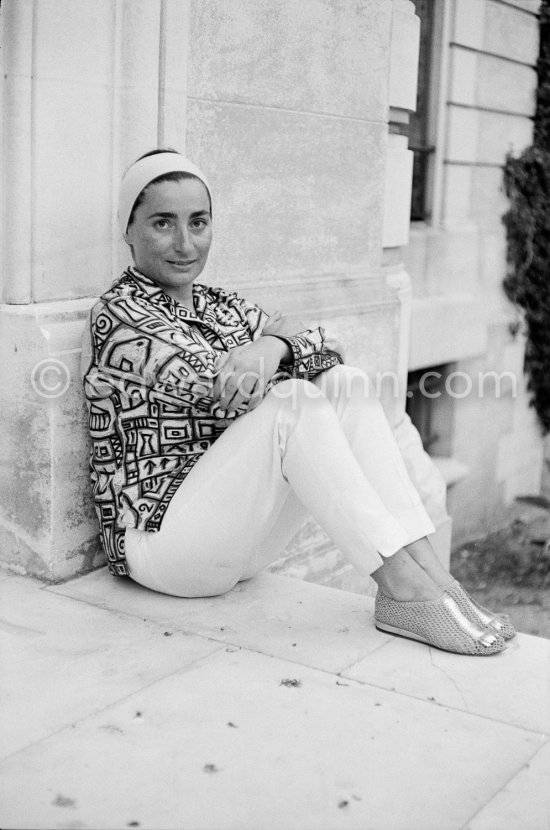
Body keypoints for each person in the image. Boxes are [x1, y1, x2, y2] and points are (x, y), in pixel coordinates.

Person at [81, 149, 515, 656]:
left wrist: (274, 345)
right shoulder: (118, 315)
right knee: (292, 400)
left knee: (346, 383)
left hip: (237, 541)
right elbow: (219, 388)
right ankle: (403, 589)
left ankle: (435, 581)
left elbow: (328, 350)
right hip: (162, 547)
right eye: (162, 223)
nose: (185, 243)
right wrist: (280, 342)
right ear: (127, 230)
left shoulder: (220, 304)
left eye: (198, 223)